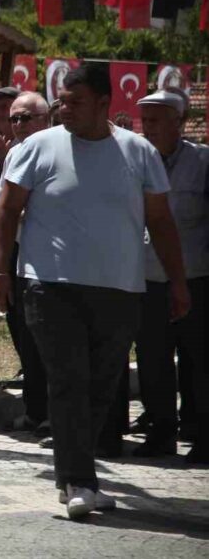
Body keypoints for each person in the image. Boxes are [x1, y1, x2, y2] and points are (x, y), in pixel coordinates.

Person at [0, 65, 189, 519]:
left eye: (75, 101)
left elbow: (160, 221)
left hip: (120, 288)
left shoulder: (138, 153)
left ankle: (81, 473)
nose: (65, 109)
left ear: (104, 104)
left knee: (103, 383)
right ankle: (76, 480)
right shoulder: (38, 147)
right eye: (61, 101)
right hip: (50, 286)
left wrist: (177, 282)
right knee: (69, 379)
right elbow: (6, 211)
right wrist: (0, 273)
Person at [133, 90, 208, 463]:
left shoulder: (203, 162)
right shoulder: (134, 160)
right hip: (148, 279)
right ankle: (161, 431)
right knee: (152, 359)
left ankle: (204, 434)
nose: (149, 128)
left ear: (178, 122)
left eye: (157, 120)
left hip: (196, 277)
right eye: (144, 121)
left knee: (200, 358)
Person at [0, 91, 52, 437]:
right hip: (17, 250)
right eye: (13, 118)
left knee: (44, 334)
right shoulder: (15, 153)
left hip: (46, 254)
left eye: (26, 118)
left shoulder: (54, 150)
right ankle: (34, 408)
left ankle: (49, 410)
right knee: (20, 329)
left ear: (44, 120)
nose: (18, 125)